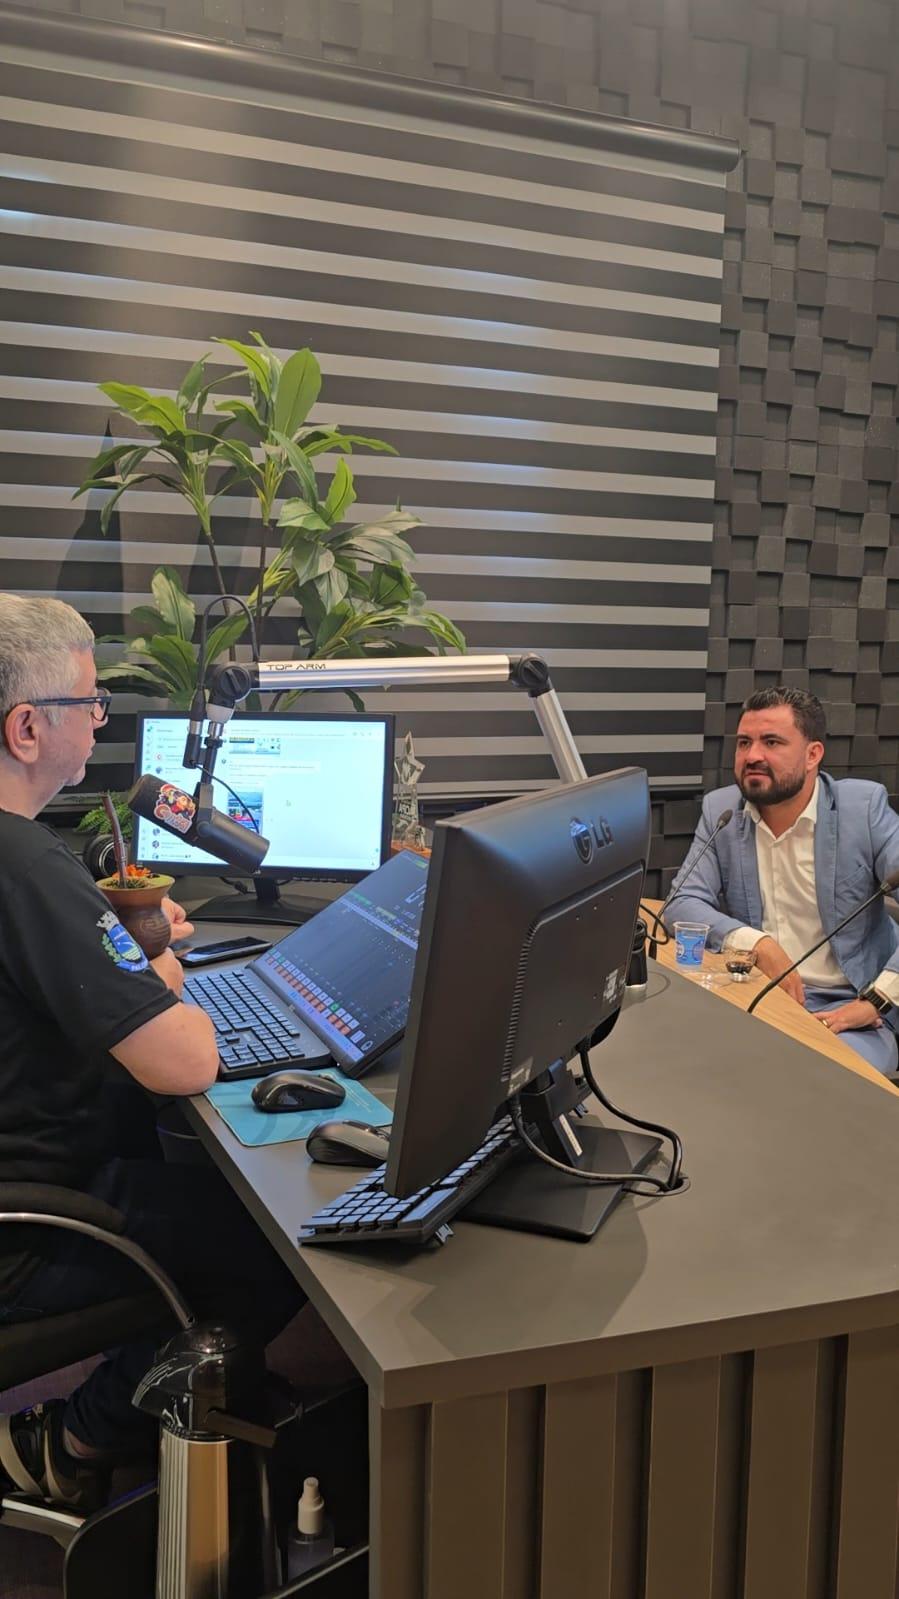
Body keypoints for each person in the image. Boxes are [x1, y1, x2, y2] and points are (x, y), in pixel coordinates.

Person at [0, 594, 303, 1509]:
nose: (99, 721)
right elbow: (187, 1062)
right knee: (277, 1246)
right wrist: (158, 967)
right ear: (26, 727)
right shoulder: (24, 865)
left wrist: (113, 943)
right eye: (88, 702)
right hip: (31, 1231)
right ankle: (75, 1436)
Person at [665, 685, 899, 1075]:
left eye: (771, 742)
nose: (752, 756)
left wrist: (878, 1000)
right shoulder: (722, 811)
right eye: (744, 743)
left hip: (849, 1011)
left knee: (813, 1083)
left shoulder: (863, 809)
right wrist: (759, 945)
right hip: (756, 998)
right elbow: (682, 902)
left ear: (813, 755)